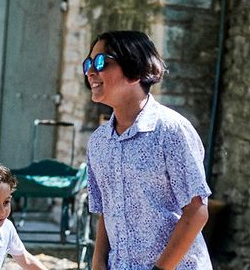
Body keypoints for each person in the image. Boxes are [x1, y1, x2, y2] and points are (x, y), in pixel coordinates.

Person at [84, 30, 212, 270]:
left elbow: (196, 211)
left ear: (134, 69)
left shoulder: (171, 130)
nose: (91, 71)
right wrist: (98, 262)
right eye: (88, 63)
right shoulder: (98, 142)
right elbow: (109, 210)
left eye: (101, 62)